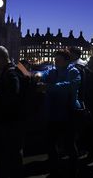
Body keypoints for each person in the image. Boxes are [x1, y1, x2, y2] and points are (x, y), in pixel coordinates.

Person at [39, 49, 81, 177]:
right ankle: (54, 170)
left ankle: (73, 170)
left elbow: (70, 86)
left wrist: (49, 87)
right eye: (55, 60)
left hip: (68, 112)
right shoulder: (53, 70)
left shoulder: (74, 71)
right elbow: (43, 73)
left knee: (69, 144)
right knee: (50, 144)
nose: (55, 62)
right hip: (53, 112)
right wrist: (38, 75)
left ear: (66, 61)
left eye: (58, 60)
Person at [0, 46, 23, 178]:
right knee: (16, 153)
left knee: (6, 155)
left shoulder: (9, 73)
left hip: (9, 120)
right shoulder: (19, 67)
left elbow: (13, 94)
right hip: (19, 119)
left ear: (1, 57)